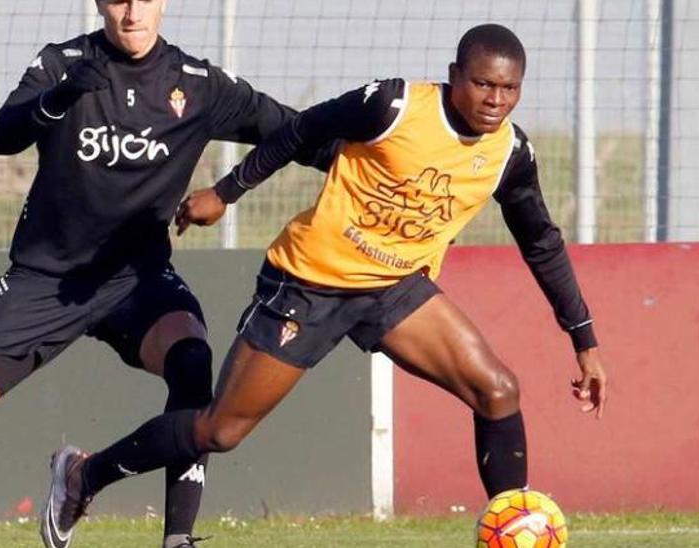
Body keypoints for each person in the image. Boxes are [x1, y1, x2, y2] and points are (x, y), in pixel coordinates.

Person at [43, 23, 611, 540]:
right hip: (308, 285)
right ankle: (82, 474)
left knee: (498, 391)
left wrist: (584, 341)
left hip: (394, 289)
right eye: (484, 85)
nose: (495, 101)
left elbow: (542, 242)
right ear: (455, 75)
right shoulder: (392, 105)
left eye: (509, 90)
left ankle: (511, 534)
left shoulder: (511, 152)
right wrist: (225, 192)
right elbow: (300, 131)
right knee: (221, 430)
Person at [0, 1, 332, 547]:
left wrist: (371, 154)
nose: (132, 13)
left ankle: (175, 537)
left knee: (192, 361)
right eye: (118, 0)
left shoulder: (198, 84)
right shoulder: (64, 63)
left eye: (144, 0)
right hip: (44, 280)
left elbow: (296, 131)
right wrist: (56, 99)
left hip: (136, 279)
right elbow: (2, 135)